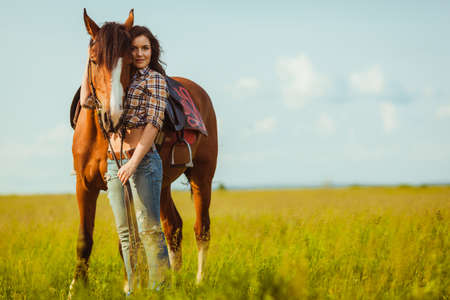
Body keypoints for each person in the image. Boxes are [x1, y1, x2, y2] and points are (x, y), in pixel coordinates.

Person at [81, 25, 170, 294]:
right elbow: (87, 99)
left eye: (146, 48)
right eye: (135, 48)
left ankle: (160, 292)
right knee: (126, 235)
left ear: (152, 50)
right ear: (126, 53)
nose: (140, 53)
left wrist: (133, 163)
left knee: (150, 231)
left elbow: (153, 125)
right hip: (113, 162)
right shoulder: (120, 78)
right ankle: (134, 291)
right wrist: (92, 57)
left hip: (140, 162)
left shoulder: (153, 80)